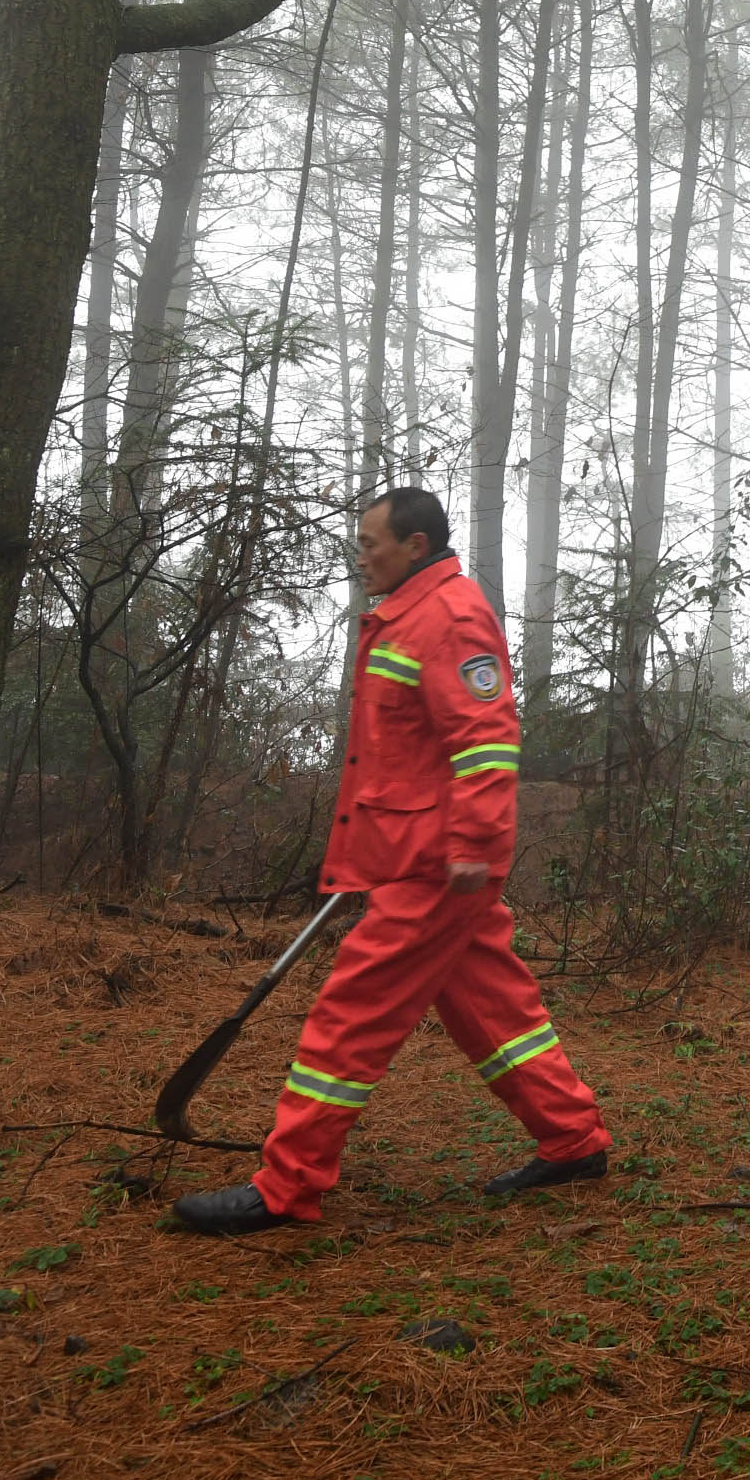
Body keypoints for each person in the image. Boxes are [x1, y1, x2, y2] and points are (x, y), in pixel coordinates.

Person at [175, 488, 613, 1235]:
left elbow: (487, 740)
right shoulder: (405, 618)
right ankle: (574, 1139)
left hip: (440, 865)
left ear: (415, 545)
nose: (361, 556)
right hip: (421, 857)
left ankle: (286, 1185)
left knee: (350, 1015)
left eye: (371, 543)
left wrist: (472, 848)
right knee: (494, 1012)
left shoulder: (450, 617)